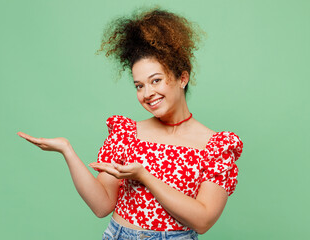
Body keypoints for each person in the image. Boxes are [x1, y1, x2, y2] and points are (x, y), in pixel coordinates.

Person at [17, 7, 244, 240]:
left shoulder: (216, 147)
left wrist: (144, 176)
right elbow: (101, 206)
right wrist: (67, 150)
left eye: (156, 80)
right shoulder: (126, 134)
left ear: (182, 78)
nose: (148, 93)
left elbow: (203, 221)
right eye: (139, 85)